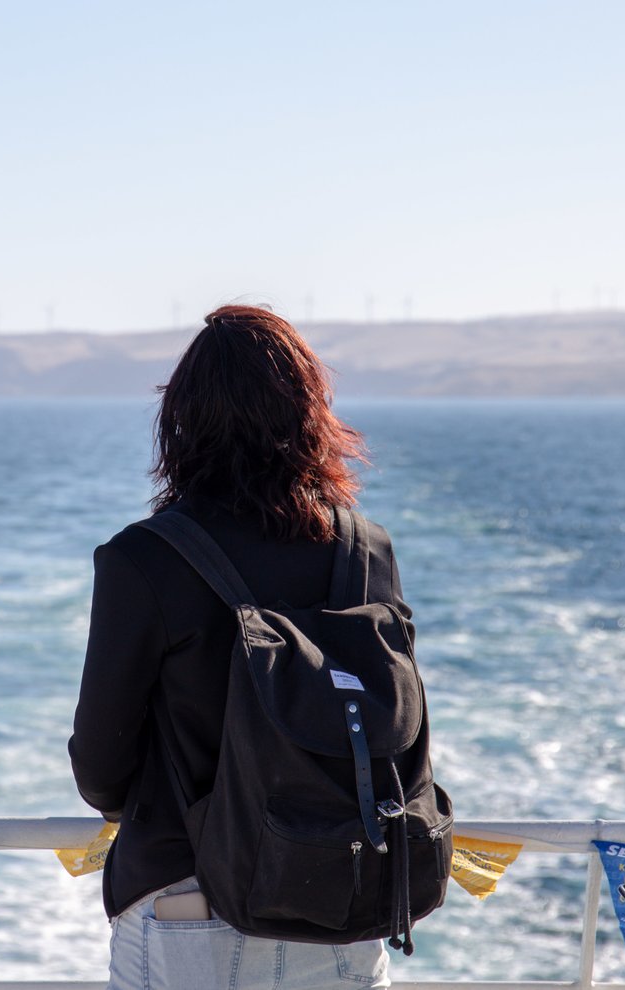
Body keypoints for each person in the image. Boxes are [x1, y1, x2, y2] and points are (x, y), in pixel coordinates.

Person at [69, 305, 412, 990]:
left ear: (181, 421)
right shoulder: (364, 551)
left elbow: (101, 766)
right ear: (309, 414)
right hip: (344, 895)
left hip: (189, 896)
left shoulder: (145, 559)